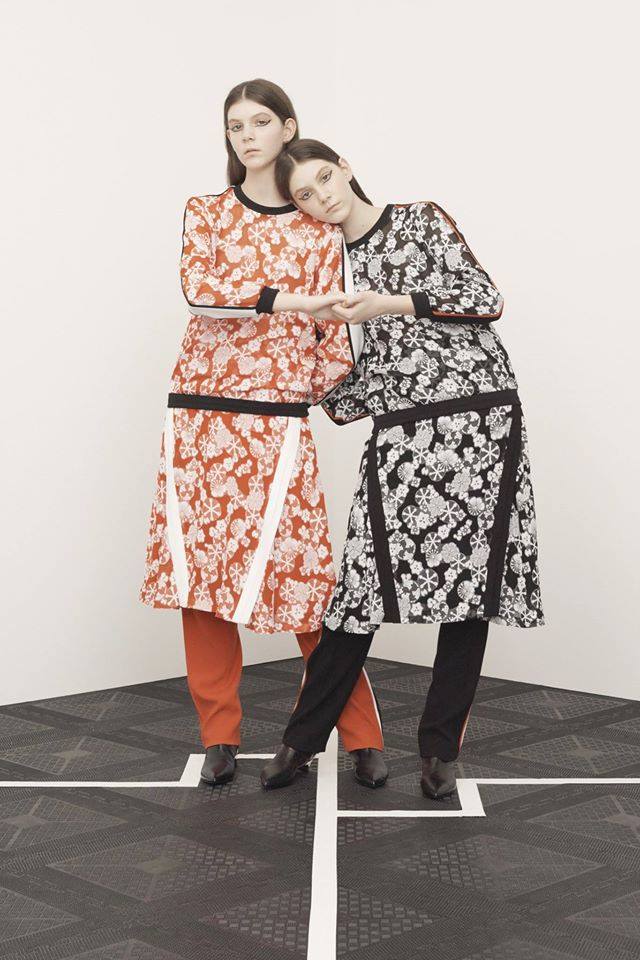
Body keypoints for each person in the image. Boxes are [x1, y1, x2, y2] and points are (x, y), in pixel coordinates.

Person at [260, 139, 544, 798]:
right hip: (402, 429)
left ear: (346, 168)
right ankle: (302, 740)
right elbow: (353, 390)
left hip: (480, 420)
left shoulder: (420, 218)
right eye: (305, 194)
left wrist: (388, 304)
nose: (322, 196)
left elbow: (484, 297)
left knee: (471, 588)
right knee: (360, 584)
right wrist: (297, 375)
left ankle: (440, 751)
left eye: (324, 177)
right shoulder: (326, 265)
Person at [140, 86, 387, 789]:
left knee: (306, 582)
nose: (247, 136)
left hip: (277, 421)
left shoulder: (317, 230)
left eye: (260, 122)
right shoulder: (206, 212)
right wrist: (294, 304)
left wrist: (294, 386)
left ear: (288, 128)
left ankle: (361, 735)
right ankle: (218, 735)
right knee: (202, 580)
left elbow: (334, 342)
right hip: (200, 416)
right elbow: (201, 293)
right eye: (234, 126)